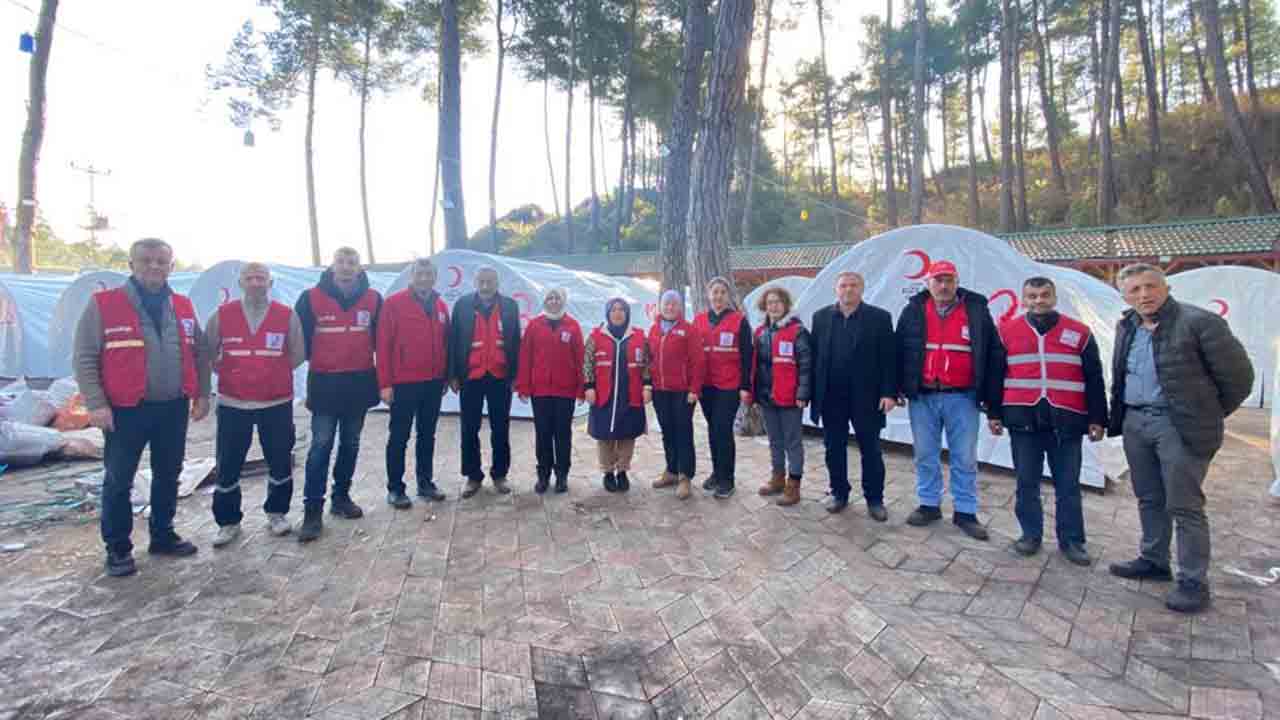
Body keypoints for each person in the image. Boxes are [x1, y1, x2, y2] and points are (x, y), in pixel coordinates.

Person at [1106, 263, 1253, 613]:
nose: (1144, 294)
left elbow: (1239, 379)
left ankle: (1192, 581)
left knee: (1184, 505)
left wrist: (1207, 414)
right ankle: (1154, 559)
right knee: (1149, 497)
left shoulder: (1199, 323)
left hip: (1178, 426)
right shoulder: (1127, 325)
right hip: (1135, 422)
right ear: (1124, 295)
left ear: (1166, 287)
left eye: (1150, 286)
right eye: (1134, 290)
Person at [74, 238, 212, 577]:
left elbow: (198, 353)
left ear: (171, 266)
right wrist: (96, 403)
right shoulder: (104, 304)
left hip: (172, 406)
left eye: (161, 261)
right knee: (119, 479)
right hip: (125, 409)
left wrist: (202, 393)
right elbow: (85, 356)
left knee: (168, 474)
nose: (154, 266)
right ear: (132, 264)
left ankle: (162, 535)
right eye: (146, 260)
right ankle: (118, 548)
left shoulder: (182, 305)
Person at [988, 277, 1108, 566]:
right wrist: (993, 413)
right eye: (1032, 296)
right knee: (1026, 483)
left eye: (1044, 295)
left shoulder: (1079, 332)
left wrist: (1097, 418)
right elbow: (995, 376)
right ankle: (1030, 535)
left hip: (1066, 421)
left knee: (1068, 485)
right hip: (1023, 421)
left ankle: (1072, 541)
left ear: (1054, 297)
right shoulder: (1006, 331)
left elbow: (1094, 378)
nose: (1038, 300)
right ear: (1023, 298)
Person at [895, 260, 1005, 541]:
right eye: (938, 280)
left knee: (965, 457)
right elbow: (899, 351)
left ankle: (965, 512)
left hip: (963, 397)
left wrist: (993, 404)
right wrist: (897, 387)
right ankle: (929, 505)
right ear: (928, 283)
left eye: (949, 280)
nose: (943, 286)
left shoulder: (977, 311)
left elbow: (993, 356)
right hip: (924, 397)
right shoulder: (913, 311)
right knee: (925, 454)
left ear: (957, 283)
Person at [206, 263, 306, 547]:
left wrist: (269, 373)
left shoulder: (286, 316)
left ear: (270, 283)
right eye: (249, 278)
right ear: (240, 283)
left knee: (279, 458)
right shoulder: (222, 315)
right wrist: (235, 374)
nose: (255, 283)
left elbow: (297, 353)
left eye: (260, 278)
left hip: (275, 401)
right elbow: (209, 352)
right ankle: (228, 521)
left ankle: (277, 513)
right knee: (228, 462)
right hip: (233, 402)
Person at [294, 247, 383, 542]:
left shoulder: (373, 299)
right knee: (320, 446)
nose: (346, 267)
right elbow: (300, 342)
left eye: (352, 263)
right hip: (325, 386)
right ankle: (312, 511)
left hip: (358, 385)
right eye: (341, 262)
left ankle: (341, 498)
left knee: (351, 443)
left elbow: (380, 341)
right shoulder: (310, 298)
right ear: (332, 266)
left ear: (360, 268)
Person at [809, 271, 897, 518]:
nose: (848, 290)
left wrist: (889, 393)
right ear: (836, 289)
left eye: (853, 285)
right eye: (843, 286)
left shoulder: (879, 318)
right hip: (831, 397)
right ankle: (839, 493)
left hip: (867, 397)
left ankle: (875, 499)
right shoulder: (821, 318)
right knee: (833, 448)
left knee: (871, 449)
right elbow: (815, 359)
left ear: (862, 289)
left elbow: (889, 360)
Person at [377, 258, 450, 508]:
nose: (424, 278)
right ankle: (395, 488)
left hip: (432, 383)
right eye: (420, 273)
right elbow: (383, 346)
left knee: (427, 435)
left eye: (429, 274)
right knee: (399, 436)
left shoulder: (441, 306)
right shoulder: (393, 304)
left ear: (435, 277)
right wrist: (385, 383)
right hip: (404, 382)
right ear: (411, 276)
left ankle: (425, 483)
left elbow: (445, 344)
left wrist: (445, 376)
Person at [448, 267, 521, 498]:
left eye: (490, 281)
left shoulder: (509, 306)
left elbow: (516, 341)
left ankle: (500, 474)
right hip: (471, 376)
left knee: (501, 428)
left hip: (500, 376)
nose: (486, 285)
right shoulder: (462, 305)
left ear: (497, 282)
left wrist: (515, 375)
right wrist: (453, 375)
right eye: (482, 281)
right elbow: (452, 341)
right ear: (475, 282)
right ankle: (472, 476)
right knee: (469, 428)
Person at [516, 288, 585, 494]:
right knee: (543, 434)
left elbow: (580, 359)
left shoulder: (572, 326)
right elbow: (525, 357)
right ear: (544, 301)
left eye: (557, 298)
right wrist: (524, 386)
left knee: (563, 434)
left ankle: (562, 475)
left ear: (563, 301)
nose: (553, 301)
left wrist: (582, 388)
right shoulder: (534, 326)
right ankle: (543, 474)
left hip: (565, 391)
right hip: (541, 391)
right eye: (550, 298)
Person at [692, 277, 753, 499]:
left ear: (728, 296)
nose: (718, 297)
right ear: (708, 295)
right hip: (706, 386)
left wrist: (746, 386)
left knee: (722, 429)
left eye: (722, 293)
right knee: (712, 430)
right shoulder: (698, 321)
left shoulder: (739, 321)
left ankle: (727, 479)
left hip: (729, 386)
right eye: (714, 292)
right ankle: (717, 473)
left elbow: (747, 356)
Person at [752, 286, 812, 507]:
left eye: (777, 302)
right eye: (769, 303)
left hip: (790, 397)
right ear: (764, 307)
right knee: (775, 441)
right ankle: (777, 478)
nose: (773, 306)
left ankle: (793, 485)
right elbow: (755, 366)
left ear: (785, 305)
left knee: (792, 442)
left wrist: (803, 393)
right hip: (767, 397)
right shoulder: (760, 333)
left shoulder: (798, 331)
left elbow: (806, 366)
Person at [584, 298, 650, 493]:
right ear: (608, 313)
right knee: (604, 435)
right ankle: (608, 472)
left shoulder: (639, 336)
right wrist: (589, 386)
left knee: (627, 435)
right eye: (614, 310)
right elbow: (587, 363)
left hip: (629, 394)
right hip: (604, 395)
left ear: (627, 313)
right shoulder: (596, 336)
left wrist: (647, 386)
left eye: (622, 309)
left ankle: (622, 471)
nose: (618, 313)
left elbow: (647, 364)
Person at [649, 290, 706, 500]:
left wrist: (694, 389)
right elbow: (649, 359)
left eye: (674, 304)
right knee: (667, 432)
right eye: (666, 304)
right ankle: (671, 471)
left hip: (682, 391)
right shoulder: (654, 329)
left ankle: (685, 476)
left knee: (683, 432)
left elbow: (698, 362)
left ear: (680, 307)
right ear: (661, 306)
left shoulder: (689, 330)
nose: (670, 307)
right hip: (660, 390)